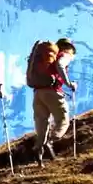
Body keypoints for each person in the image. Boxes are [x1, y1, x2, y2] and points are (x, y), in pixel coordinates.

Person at [31, 38, 78, 167]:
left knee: (42, 125)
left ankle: (39, 155)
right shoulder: (64, 55)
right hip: (52, 92)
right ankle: (50, 142)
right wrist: (69, 84)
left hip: (38, 93)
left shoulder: (46, 59)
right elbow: (60, 65)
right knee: (63, 121)